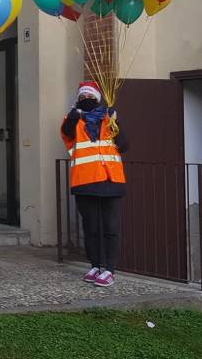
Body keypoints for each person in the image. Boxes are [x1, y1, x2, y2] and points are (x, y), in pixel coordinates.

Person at [60, 81, 129, 288]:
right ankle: (95, 265)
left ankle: (109, 269)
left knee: (110, 226)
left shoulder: (109, 118)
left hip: (111, 179)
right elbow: (67, 134)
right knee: (90, 227)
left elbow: (124, 145)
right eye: (82, 97)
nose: (86, 99)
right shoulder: (72, 119)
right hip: (85, 180)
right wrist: (73, 118)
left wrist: (116, 124)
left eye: (90, 96)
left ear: (97, 99)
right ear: (77, 100)